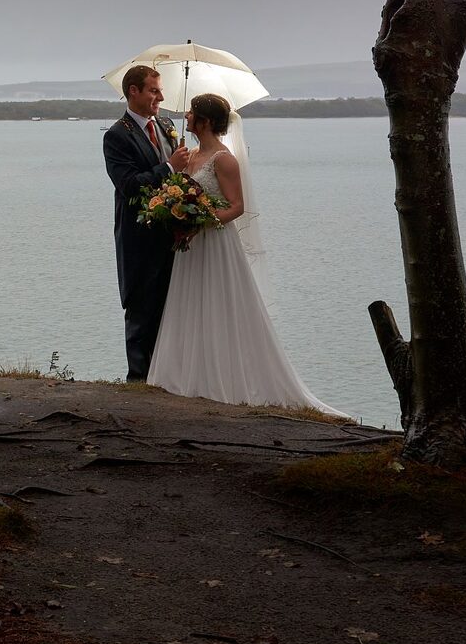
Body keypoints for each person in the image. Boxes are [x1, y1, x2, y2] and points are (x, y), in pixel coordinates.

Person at [148, 92, 345, 416]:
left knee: (217, 306)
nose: (186, 116)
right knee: (190, 305)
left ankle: (221, 380)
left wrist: (203, 221)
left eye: (192, 112)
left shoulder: (224, 159)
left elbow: (237, 207)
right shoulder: (191, 154)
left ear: (206, 121)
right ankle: (187, 378)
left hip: (214, 243)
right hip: (191, 247)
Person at [102, 65, 192, 383]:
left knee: (170, 311)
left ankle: (166, 378)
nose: (161, 96)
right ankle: (138, 383)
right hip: (138, 240)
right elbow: (129, 186)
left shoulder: (166, 124)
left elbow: (176, 178)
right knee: (140, 314)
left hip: (171, 237)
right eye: (154, 90)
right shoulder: (116, 136)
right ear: (133, 92)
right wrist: (169, 167)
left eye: (160, 90)